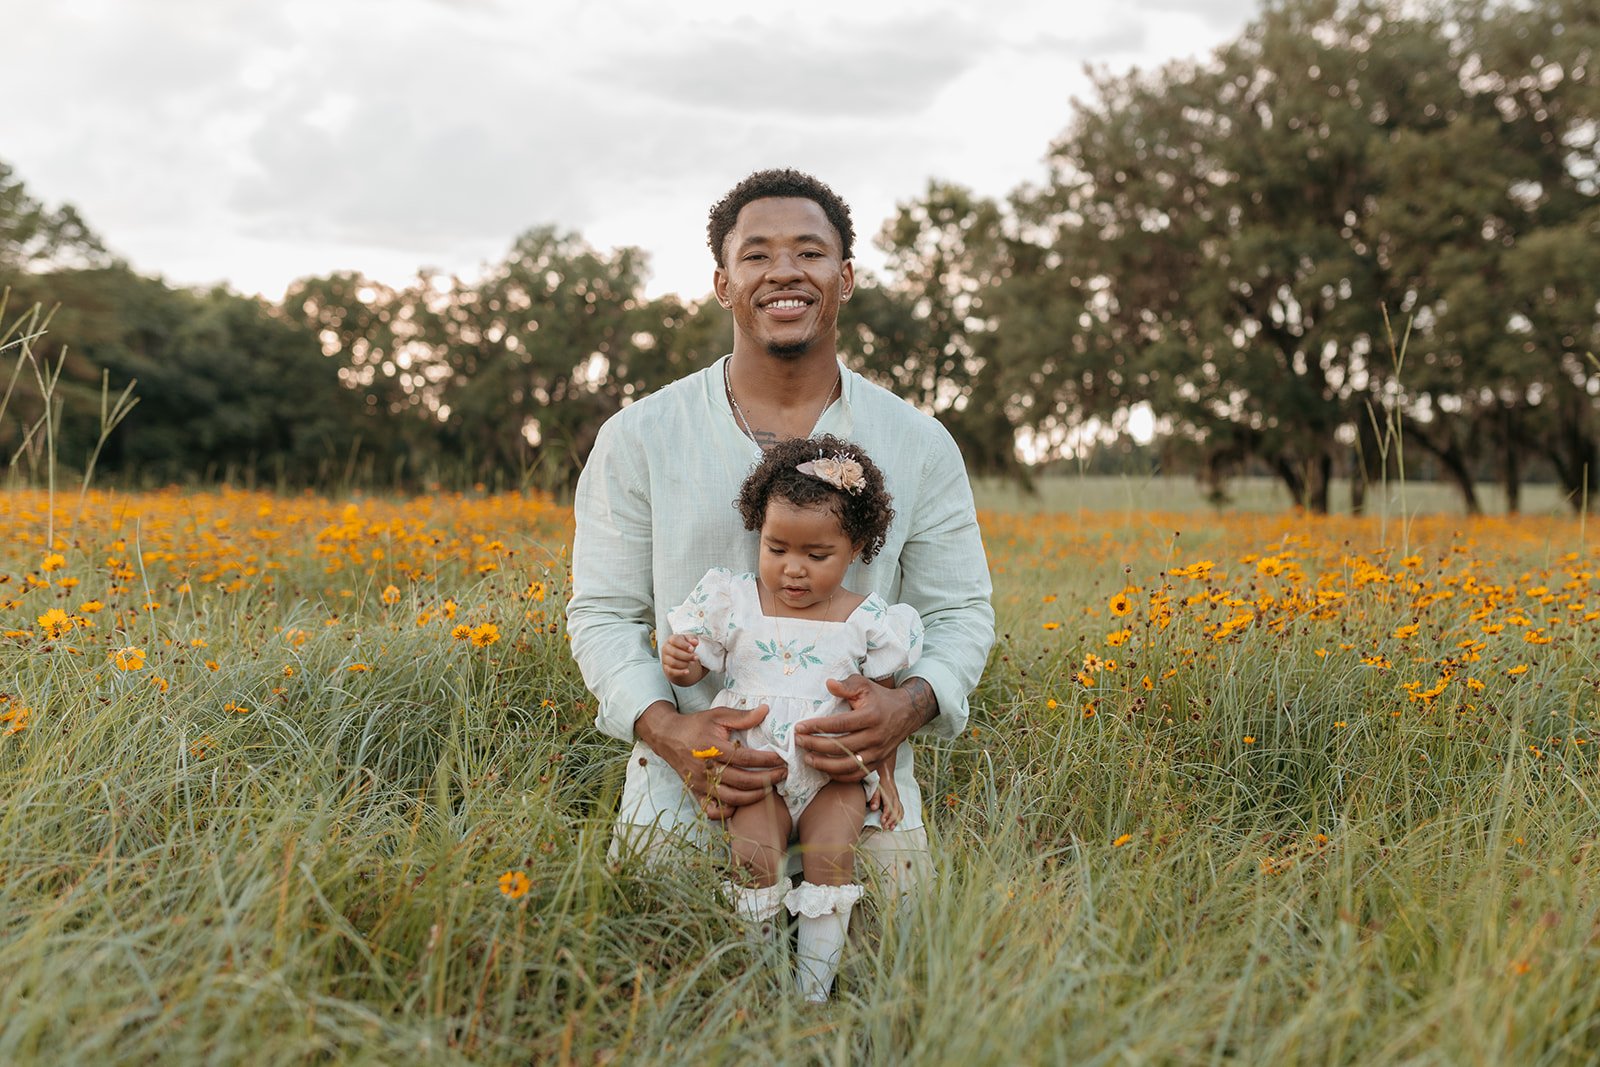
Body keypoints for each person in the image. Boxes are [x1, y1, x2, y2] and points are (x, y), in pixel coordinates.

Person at [566, 167, 993, 903]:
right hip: (686, 786)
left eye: (810, 251)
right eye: (756, 254)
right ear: (723, 283)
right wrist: (668, 728)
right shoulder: (640, 436)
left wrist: (908, 706)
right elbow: (602, 613)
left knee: (892, 987)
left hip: (857, 793)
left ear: (846, 276)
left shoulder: (919, 442)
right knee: (676, 976)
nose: (784, 272)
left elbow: (960, 613)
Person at [662, 435, 919, 1001]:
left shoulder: (869, 621)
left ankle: (812, 994)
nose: (793, 570)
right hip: (754, 768)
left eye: (817, 555)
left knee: (833, 859)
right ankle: (758, 987)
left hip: (835, 774)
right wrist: (679, 661)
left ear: (854, 549)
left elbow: (883, 704)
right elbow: (691, 669)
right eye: (777, 549)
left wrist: (890, 777)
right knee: (754, 857)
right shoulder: (735, 602)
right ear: (760, 535)